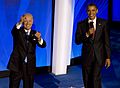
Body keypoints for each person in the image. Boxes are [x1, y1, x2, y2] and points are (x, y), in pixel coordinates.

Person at [75, 3, 111, 88]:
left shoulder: (103, 23)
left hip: (98, 56)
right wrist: (87, 34)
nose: (91, 13)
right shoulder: (81, 24)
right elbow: (77, 41)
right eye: (89, 11)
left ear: (97, 11)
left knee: (95, 78)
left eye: (93, 10)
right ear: (86, 11)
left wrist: (108, 57)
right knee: (87, 80)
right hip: (86, 56)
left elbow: (106, 41)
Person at [7, 13, 46, 88]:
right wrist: (20, 22)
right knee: (13, 85)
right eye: (25, 21)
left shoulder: (35, 33)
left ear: (33, 21)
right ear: (23, 22)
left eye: (30, 21)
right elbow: (14, 30)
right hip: (17, 64)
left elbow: (43, 45)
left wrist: (39, 39)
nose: (28, 23)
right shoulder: (18, 32)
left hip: (29, 66)